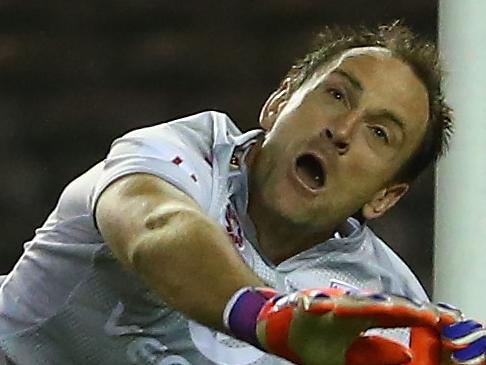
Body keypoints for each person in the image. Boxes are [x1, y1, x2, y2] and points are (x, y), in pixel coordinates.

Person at [0, 22, 483, 365]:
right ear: (278, 103)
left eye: (380, 133)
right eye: (336, 95)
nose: (343, 130)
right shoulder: (186, 153)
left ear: (385, 197)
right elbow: (157, 228)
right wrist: (270, 318)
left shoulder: (387, 306)